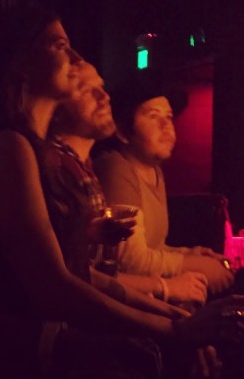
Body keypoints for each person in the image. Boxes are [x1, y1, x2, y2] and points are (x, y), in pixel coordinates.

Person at [0, 8, 244, 379]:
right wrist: (172, 330)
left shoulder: (33, 150)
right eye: (60, 46)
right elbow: (52, 288)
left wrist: (173, 318)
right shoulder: (8, 146)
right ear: (19, 64)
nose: (76, 59)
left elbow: (81, 272)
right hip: (18, 361)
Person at [50, 61, 214, 305]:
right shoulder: (75, 167)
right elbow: (85, 277)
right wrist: (167, 292)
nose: (104, 96)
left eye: (168, 117)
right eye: (86, 89)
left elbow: (96, 271)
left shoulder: (85, 169)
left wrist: (192, 255)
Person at [94, 76, 235, 296]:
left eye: (168, 117)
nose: (166, 125)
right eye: (153, 116)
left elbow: (153, 247)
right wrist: (195, 265)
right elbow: (130, 260)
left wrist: (192, 254)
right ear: (122, 132)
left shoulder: (154, 169)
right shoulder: (116, 167)